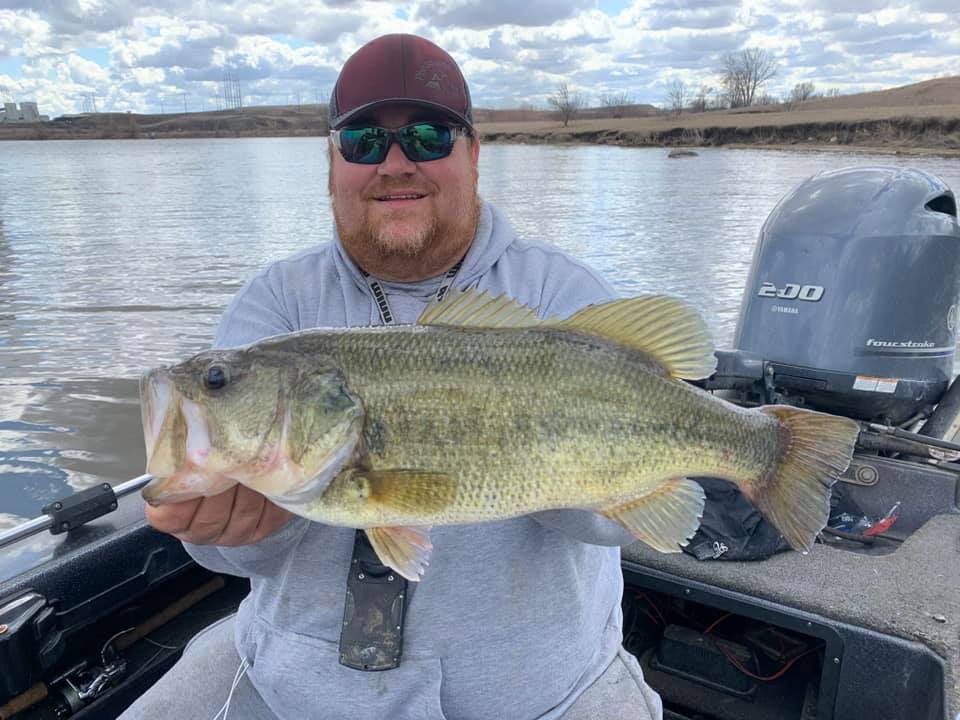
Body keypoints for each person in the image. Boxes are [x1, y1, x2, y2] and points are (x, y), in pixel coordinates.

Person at [122, 33, 663, 720]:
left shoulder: (564, 297)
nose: (397, 163)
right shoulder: (275, 305)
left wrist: (539, 461)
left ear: (473, 154)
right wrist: (220, 532)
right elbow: (236, 565)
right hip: (301, 696)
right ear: (331, 162)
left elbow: (632, 529)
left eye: (430, 137)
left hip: (544, 698)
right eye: (364, 143)